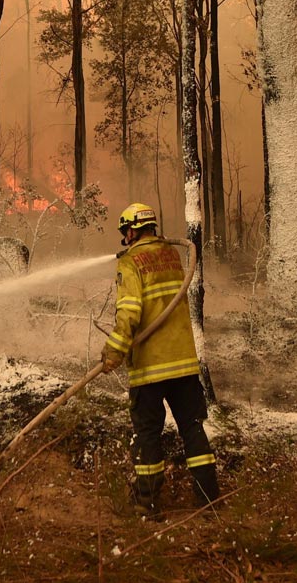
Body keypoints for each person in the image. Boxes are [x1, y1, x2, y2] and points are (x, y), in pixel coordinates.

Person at [100, 202, 220, 520]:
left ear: (133, 230)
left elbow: (129, 313)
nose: (125, 237)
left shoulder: (130, 263)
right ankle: (209, 502)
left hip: (150, 367)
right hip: (183, 363)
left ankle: (147, 506)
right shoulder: (172, 255)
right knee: (192, 429)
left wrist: (114, 350)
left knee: (148, 435)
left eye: (126, 231)